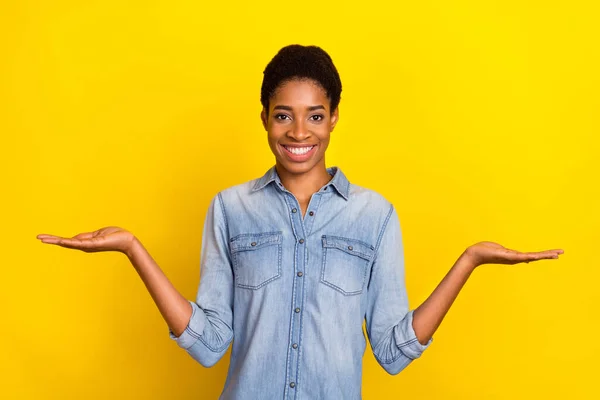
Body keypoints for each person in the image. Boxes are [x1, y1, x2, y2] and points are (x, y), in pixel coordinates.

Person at [36, 44, 563, 399]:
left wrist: (468, 261)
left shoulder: (374, 215)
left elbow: (393, 352)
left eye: (314, 114)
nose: (298, 131)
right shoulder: (230, 208)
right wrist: (134, 249)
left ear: (333, 118)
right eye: (283, 114)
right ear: (264, 117)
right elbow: (209, 343)